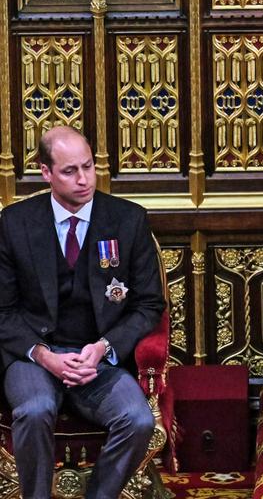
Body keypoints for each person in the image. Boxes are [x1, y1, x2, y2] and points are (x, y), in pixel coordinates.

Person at [0, 126, 164, 499]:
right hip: (34, 356)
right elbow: (3, 311)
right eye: (70, 171)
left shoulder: (128, 219)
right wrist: (44, 356)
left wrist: (103, 347)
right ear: (46, 172)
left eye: (88, 167)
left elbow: (149, 304)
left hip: (97, 358)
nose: (84, 179)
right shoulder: (14, 224)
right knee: (36, 409)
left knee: (138, 421)